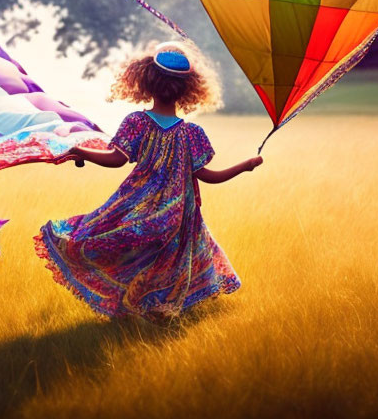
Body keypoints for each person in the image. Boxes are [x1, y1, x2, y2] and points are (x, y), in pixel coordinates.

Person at [34, 42, 263, 323]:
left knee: (127, 248)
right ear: (189, 89)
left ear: (145, 82)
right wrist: (246, 166)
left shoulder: (137, 123)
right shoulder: (192, 133)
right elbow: (209, 176)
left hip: (138, 207)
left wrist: (80, 151)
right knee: (171, 260)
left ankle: (138, 307)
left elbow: (115, 159)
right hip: (177, 215)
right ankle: (156, 308)